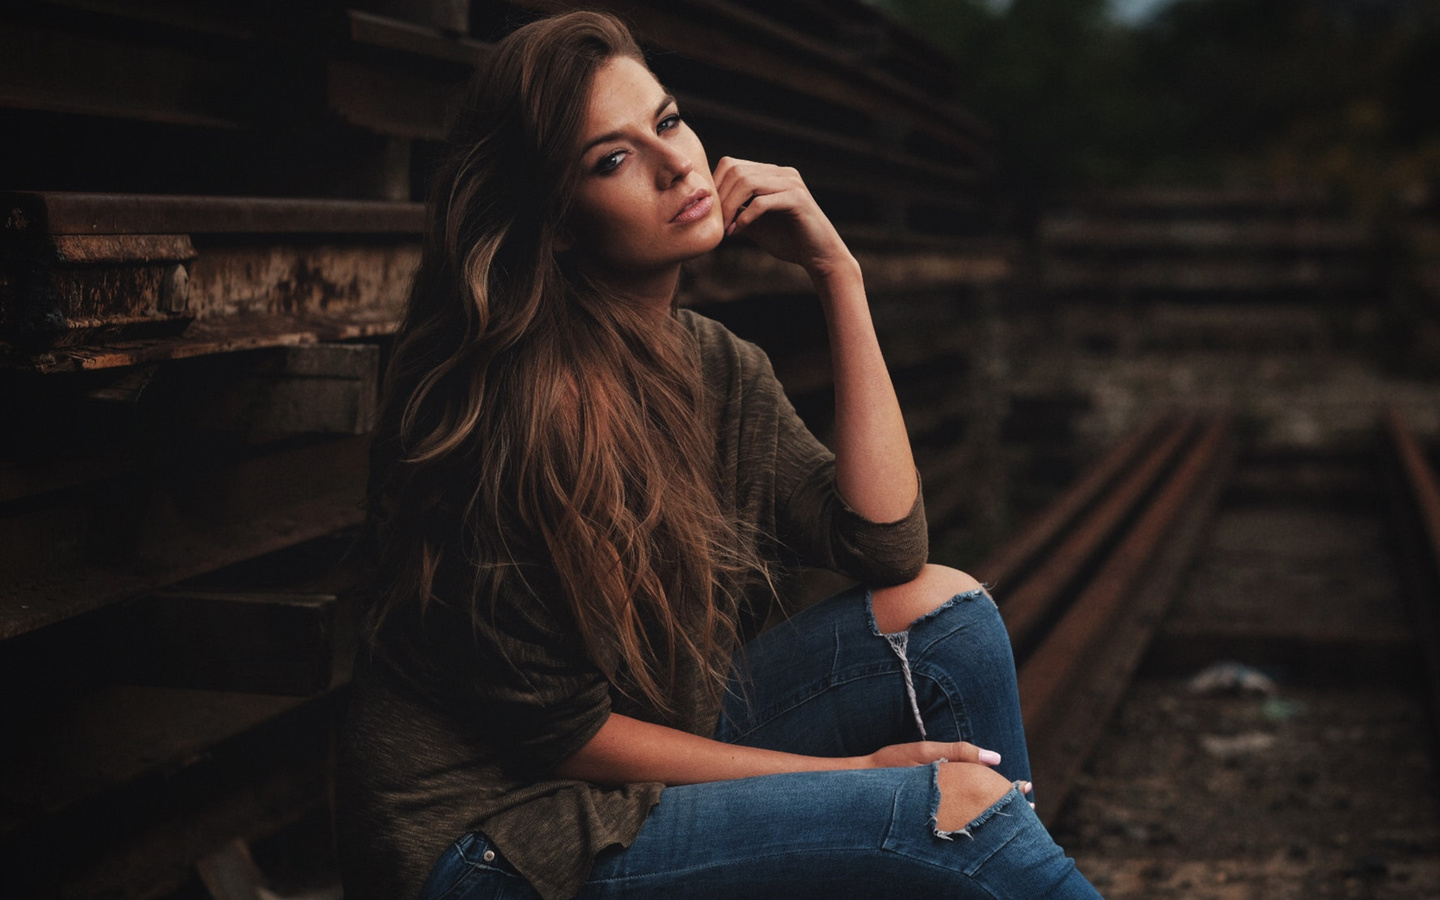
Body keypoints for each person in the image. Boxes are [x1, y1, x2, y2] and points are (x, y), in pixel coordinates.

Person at [339, 11, 1103, 900]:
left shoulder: (711, 364)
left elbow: (885, 544)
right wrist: (857, 776)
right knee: (951, 810)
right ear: (554, 222)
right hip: (496, 844)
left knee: (948, 618)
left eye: (667, 122)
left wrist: (837, 274)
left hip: (622, 773)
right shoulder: (509, 407)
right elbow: (563, 736)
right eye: (613, 159)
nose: (675, 164)